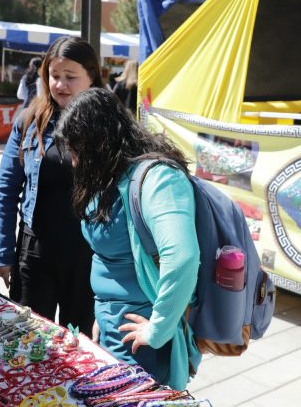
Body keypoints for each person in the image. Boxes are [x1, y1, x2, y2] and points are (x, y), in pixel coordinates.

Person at [54, 87, 201, 391]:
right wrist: (102, 314)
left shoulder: (159, 178)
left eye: (77, 150)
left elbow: (182, 257)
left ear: (100, 142)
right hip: (112, 326)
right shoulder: (109, 173)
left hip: (141, 340)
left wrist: (158, 329)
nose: (73, 161)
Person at [0, 36, 103, 336]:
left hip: (86, 254)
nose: (60, 85)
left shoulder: (107, 125)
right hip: (34, 252)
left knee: (79, 343)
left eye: (70, 77)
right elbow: (6, 188)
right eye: (54, 76)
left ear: (92, 77)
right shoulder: (30, 120)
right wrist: (2, 251)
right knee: (27, 337)